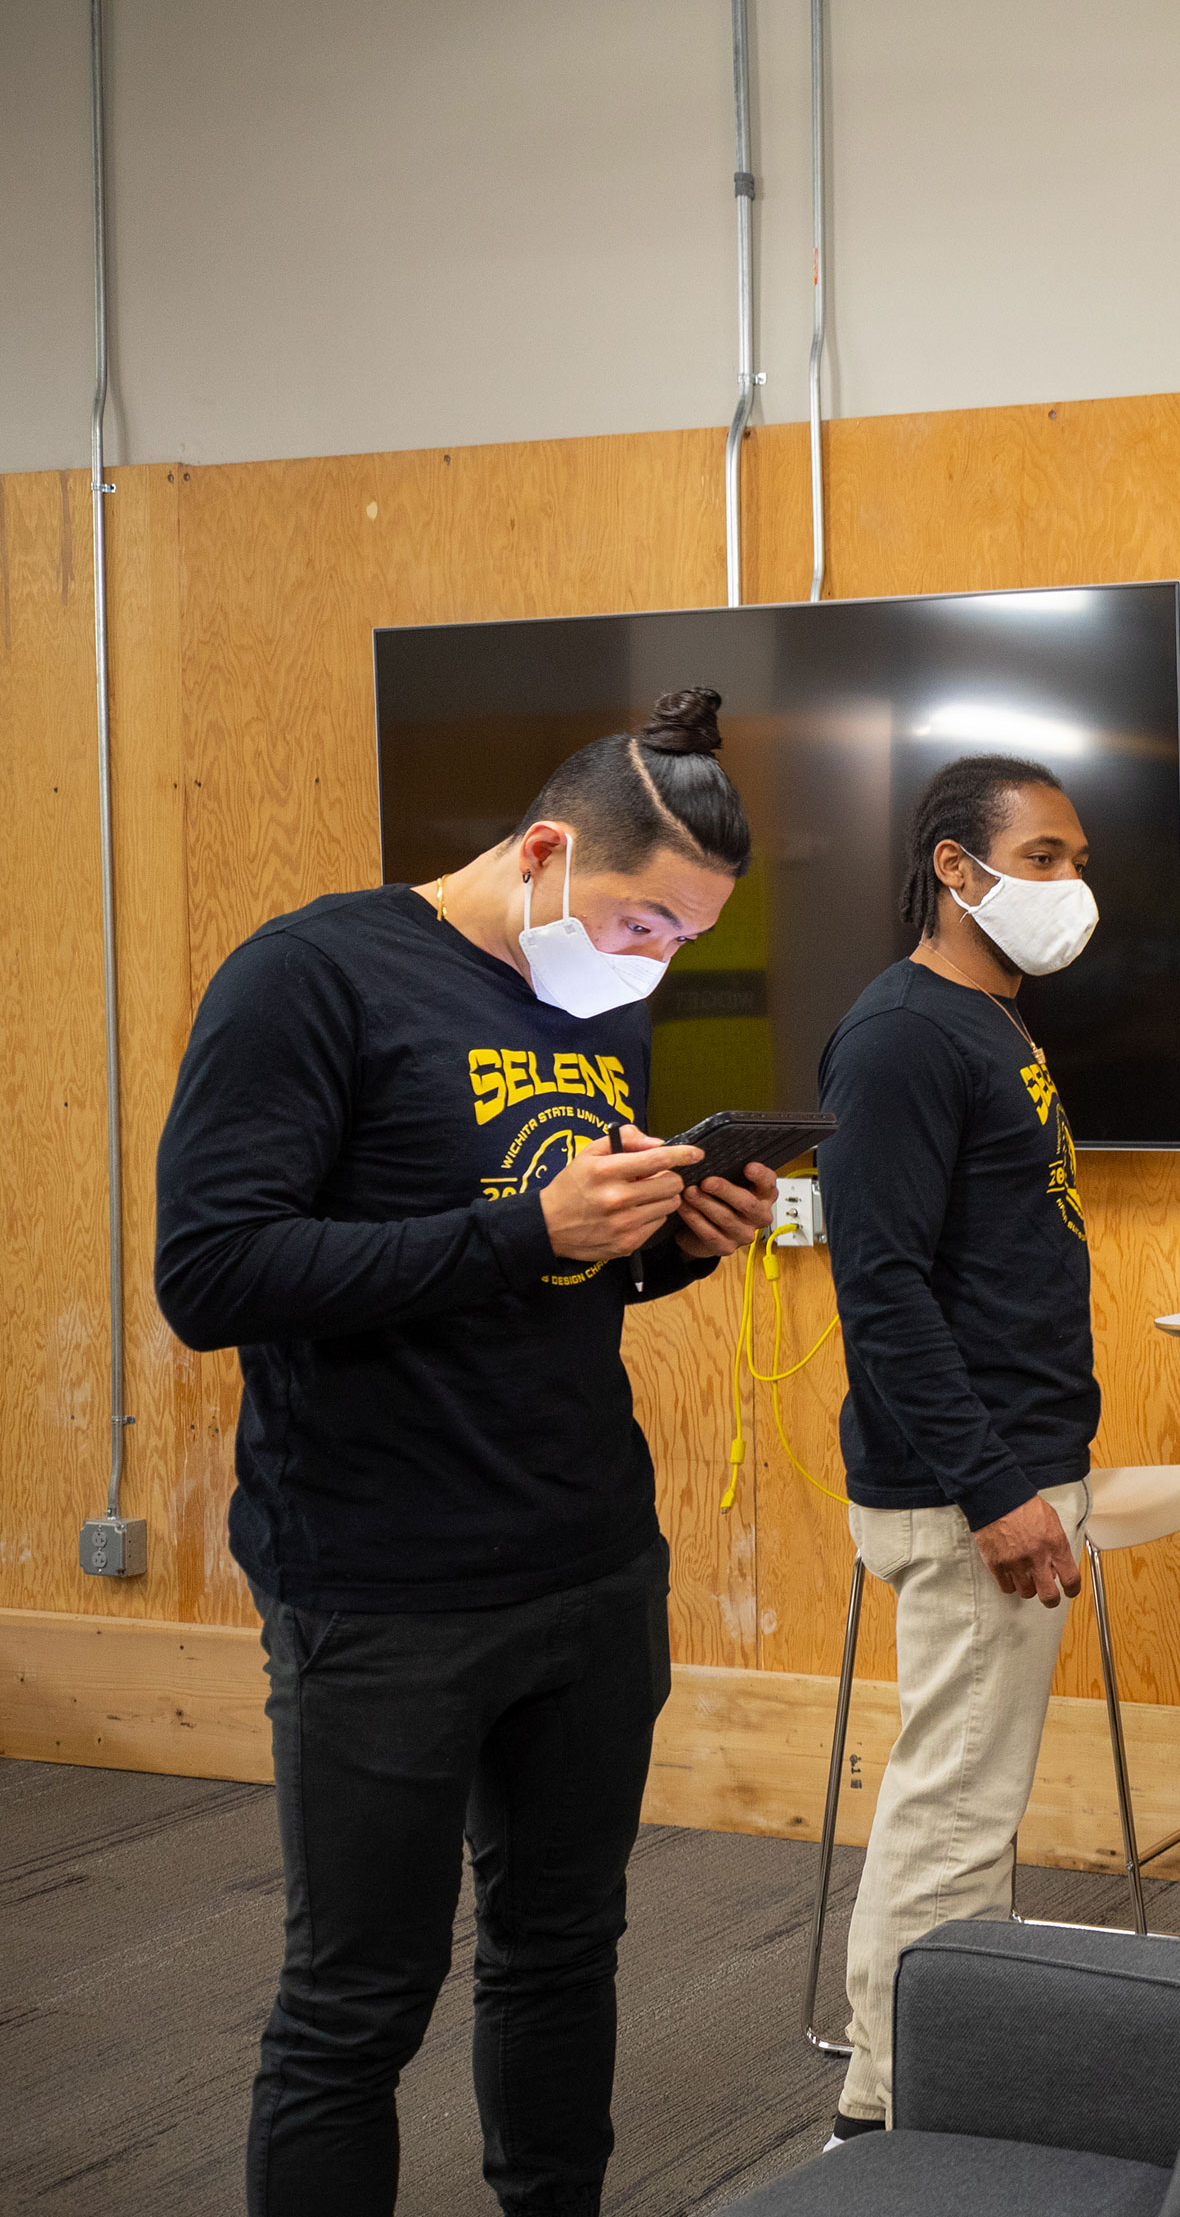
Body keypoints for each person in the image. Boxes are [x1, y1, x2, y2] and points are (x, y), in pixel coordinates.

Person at [154, 688, 779, 2216]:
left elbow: (569, 1266)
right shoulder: (310, 977)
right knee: (357, 2000)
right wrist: (523, 1230)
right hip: (382, 1579)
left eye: (685, 941)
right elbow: (214, 1274)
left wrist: (674, 1242)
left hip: (585, 1556)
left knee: (562, 1950)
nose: (654, 963)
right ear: (547, 850)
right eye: (643, 921)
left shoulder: (593, 1007)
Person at [814, 754, 1101, 2142]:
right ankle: (886, 2117)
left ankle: (947, 2083)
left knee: (970, 1802)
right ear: (952, 866)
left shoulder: (993, 1023)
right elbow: (879, 1287)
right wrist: (997, 1489)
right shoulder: (902, 1036)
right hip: (966, 1491)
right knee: (948, 1815)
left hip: (1014, 1465)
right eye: (1039, 858)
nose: (1067, 886)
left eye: (1071, 858)